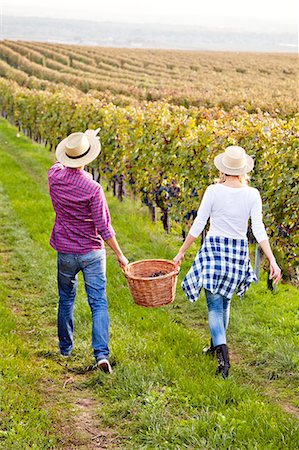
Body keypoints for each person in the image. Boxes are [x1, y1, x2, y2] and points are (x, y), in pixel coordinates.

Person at [173, 146, 281, 379]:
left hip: (214, 249)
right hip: (237, 252)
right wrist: (271, 259)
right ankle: (215, 347)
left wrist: (182, 251)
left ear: (223, 168)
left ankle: (223, 359)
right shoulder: (252, 194)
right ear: (243, 170)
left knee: (213, 305)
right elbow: (258, 229)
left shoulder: (213, 191)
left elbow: (199, 223)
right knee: (226, 301)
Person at [48, 129, 128, 373]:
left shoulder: (54, 177)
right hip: (92, 252)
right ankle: (101, 355)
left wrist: (79, 143)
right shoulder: (93, 188)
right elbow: (104, 227)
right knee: (98, 303)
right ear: (88, 158)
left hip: (65, 249)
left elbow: (58, 163)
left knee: (66, 298)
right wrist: (120, 254)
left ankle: (65, 348)